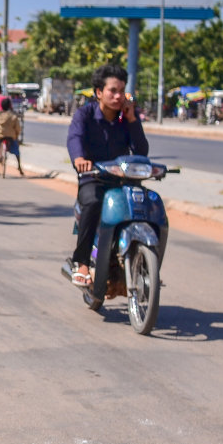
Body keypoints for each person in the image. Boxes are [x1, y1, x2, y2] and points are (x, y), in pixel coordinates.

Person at [65, 63, 149, 288]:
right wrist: (79, 159)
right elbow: (75, 138)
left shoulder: (126, 118)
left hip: (123, 179)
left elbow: (142, 151)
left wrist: (132, 120)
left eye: (122, 90)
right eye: (113, 90)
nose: (118, 96)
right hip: (94, 177)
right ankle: (81, 263)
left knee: (147, 204)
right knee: (93, 202)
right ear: (99, 92)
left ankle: (145, 263)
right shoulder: (85, 114)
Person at [0, 97, 23, 177]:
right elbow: (18, 128)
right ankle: (19, 167)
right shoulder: (13, 116)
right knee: (16, 150)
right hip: (10, 135)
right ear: (9, 106)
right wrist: (16, 135)